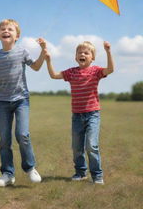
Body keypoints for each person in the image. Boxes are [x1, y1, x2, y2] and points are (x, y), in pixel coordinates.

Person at [0, 19, 46, 187]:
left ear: (17, 35)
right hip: (3, 101)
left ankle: (30, 168)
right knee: (4, 140)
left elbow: (37, 67)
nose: (6, 30)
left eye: (10, 29)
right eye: (2, 29)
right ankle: (7, 173)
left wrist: (43, 52)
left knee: (22, 134)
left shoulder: (22, 52)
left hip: (21, 99)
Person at [45, 41, 114, 185]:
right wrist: (48, 60)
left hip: (92, 114)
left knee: (91, 145)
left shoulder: (96, 71)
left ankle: (97, 175)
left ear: (92, 57)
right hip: (77, 115)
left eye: (86, 52)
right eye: (79, 52)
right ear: (75, 57)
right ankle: (81, 172)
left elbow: (110, 69)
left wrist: (108, 51)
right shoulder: (72, 72)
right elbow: (53, 75)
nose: (82, 54)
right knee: (77, 147)